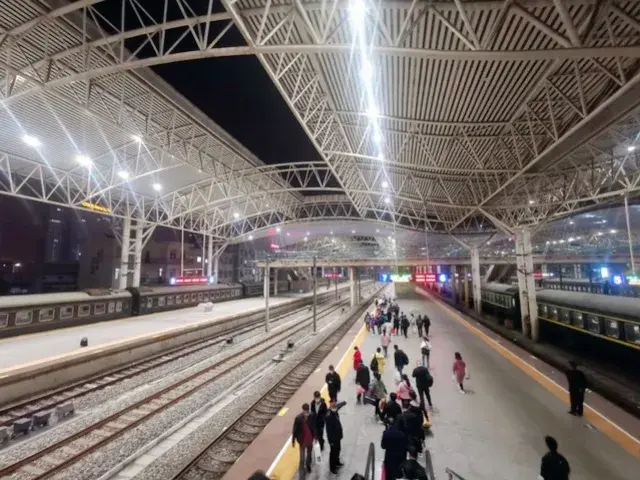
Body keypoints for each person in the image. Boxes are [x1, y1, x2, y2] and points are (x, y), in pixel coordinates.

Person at [292, 403, 316, 478]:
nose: (306, 413)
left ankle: (308, 465)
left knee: (309, 455)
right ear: (302, 410)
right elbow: (295, 430)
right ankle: (301, 475)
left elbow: (314, 427)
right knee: (302, 459)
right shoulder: (298, 418)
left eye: (307, 411)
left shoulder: (312, 415)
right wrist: (293, 440)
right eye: (305, 411)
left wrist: (316, 437)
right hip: (302, 441)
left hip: (310, 440)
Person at [325, 400, 346, 474]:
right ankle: (332, 468)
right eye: (334, 406)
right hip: (333, 439)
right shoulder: (328, 416)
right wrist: (331, 441)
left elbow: (338, 406)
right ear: (330, 406)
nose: (335, 408)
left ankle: (337, 462)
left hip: (338, 436)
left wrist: (343, 403)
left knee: (338, 450)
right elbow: (329, 431)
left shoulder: (334, 410)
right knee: (333, 453)